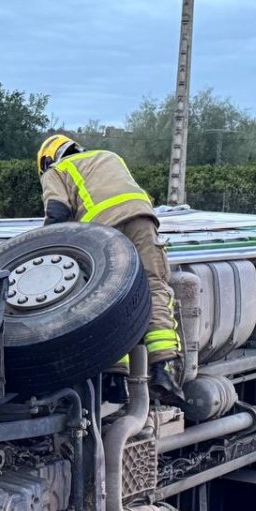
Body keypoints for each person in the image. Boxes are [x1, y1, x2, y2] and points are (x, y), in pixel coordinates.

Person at [35, 134, 183, 402]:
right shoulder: (109, 156)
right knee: (154, 286)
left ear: (48, 159)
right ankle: (165, 367)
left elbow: (57, 214)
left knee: (108, 298)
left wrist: (47, 253)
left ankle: (115, 377)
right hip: (144, 221)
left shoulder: (56, 171)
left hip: (103, 232)